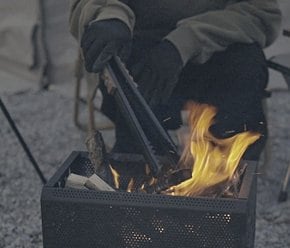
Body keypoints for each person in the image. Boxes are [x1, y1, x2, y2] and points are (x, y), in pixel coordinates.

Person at [69, 0, 281, 160]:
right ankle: (141, 176)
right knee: (123, 67)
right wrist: (110, 16)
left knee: (246, 65)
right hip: (140, 48)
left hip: (218, 44)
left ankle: (222, 189)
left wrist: (182, 44)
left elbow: (260, 12)